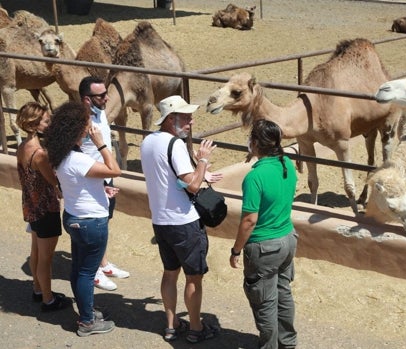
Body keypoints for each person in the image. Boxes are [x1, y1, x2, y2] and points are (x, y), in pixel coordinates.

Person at [140, 95, 223, 344]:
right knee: (193, 278)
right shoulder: (175, 144)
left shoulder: (148, 141)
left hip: (161, 220)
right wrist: (203, 160)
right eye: (186, 117)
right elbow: (193, 187)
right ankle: (196, 328)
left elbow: (169, 176)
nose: (191, 121)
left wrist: (197, 169)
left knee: (169, 273)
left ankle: (171, 324)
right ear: (170, 119)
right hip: (184, 222)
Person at [45, 101, 121, 336]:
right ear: (77, 130)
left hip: (74, 217)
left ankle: (86, 310)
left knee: (79, 269)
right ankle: (87, 322)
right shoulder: (79, 160)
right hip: (91, 222)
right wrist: (102, 144)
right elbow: (115, 170)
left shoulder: (62, 156)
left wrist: (102, 190)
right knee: (87, 273)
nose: (91, 129)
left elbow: (79, 182)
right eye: (87, 126)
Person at [230, 119, 299, 349]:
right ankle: (287, 343)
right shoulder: (287, 164)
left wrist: (236, 250)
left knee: (265, 302)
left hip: (264, 247)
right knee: (283, 293)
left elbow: (249, 220)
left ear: (257, 143)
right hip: (288, 239)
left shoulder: (254, 177)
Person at [15, 102, 71, 312]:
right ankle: (48, 299)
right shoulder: (39, 153)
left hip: (30, 205)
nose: (49, 124)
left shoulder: (22, 147)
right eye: (46, 121)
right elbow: (53, 180)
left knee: (36, 251)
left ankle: (38, 289)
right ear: (35, 124)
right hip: (45, 208)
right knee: (45, 259)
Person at [79, 76, 129, 291]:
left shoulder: (99, 114)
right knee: (93, 229)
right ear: (87, 99)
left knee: (104, 223)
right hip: (91, 181)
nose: (107, 97)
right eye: (101, 95)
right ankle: (94, 272)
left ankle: (103, 263)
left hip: (105, 178)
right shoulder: (81, 121)